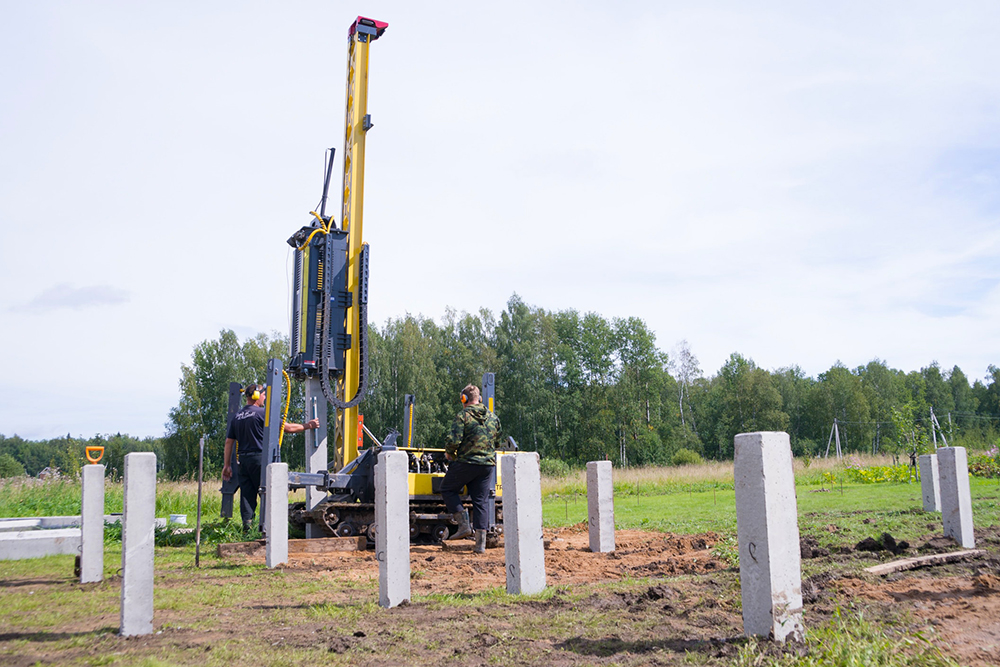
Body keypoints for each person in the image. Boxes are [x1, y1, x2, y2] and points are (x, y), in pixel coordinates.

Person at [223, 383, 319, 531]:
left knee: (247, 496)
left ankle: (248, 530)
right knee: (268, 493)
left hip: (243, 461)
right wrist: (309, 425)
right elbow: (288, 428)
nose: (265, 397)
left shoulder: (237, 416)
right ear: (256, 396)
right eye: (263, 395)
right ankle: (270, 530)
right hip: (260, 459)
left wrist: (227, 465)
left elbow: (229, 442)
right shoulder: (262, 413)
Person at [440, 383, 502, 554]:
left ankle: (464, 525)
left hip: (466, 463)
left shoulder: (463, 416)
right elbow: (497, 442)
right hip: (487, 466)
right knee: (480, 502)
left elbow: (453, 441)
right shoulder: (493, 418)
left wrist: (449, 454)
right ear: (480, 399)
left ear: (464, 399)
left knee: (447, 489)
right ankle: (480, 546)